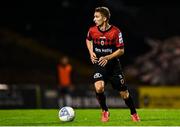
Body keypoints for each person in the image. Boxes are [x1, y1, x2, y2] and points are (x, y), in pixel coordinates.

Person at [86, 6, 140, 122]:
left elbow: (121, 50)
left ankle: (133, 113)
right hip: (99, 64)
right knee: (99, 87)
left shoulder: (116, 32)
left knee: (124, 94)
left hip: (114, 66)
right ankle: (105, 111)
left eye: (97, 17)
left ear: (104, 18)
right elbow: (88, 39)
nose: (94, 19)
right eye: (94, 16)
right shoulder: (92, 30)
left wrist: (108, 57)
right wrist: (91, 53)